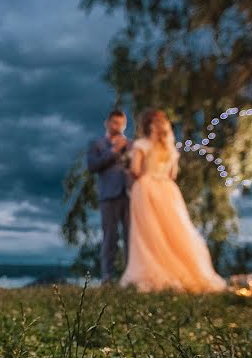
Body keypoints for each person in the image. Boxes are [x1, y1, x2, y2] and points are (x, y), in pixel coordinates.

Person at [119, 109, 226, 293]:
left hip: (145, 188)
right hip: (168, 190)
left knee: (149, 234)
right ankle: (187, 272)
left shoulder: (141, 145)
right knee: (174, 231)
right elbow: (173, 174)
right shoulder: (170, 149)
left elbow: (136, 170)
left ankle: (155, 272)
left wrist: (126, 170)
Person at [86, 109, 132, 283]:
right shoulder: (97, 144)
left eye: (121, 124)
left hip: (129, 195)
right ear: (107, 123)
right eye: (115, 123)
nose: (118, 127)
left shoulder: (131, 144)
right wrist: (113, 151)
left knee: (131, 238)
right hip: (108, 196)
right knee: (110, 237)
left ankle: (130, 276)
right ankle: (108, 276)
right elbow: (92, 166)